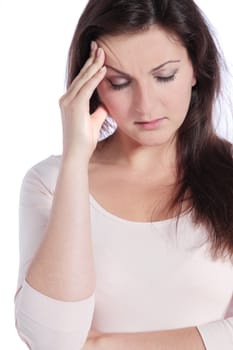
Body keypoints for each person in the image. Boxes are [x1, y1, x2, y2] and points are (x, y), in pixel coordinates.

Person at [14, 0, 233, 349]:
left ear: (195, 69)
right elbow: (51, 337)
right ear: (91, 83)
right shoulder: (51, 183)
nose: (145, 105)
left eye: (164, 76)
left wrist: (104, 344)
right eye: (118, 83)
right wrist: (75, 160)